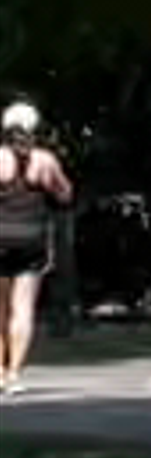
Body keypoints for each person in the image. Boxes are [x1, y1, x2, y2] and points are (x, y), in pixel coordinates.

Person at [0, 98, 68, 376]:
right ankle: (14, 372)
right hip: (32, 241)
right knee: (23, 308)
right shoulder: (45, 161)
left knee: (0, 309)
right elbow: (65, 193)